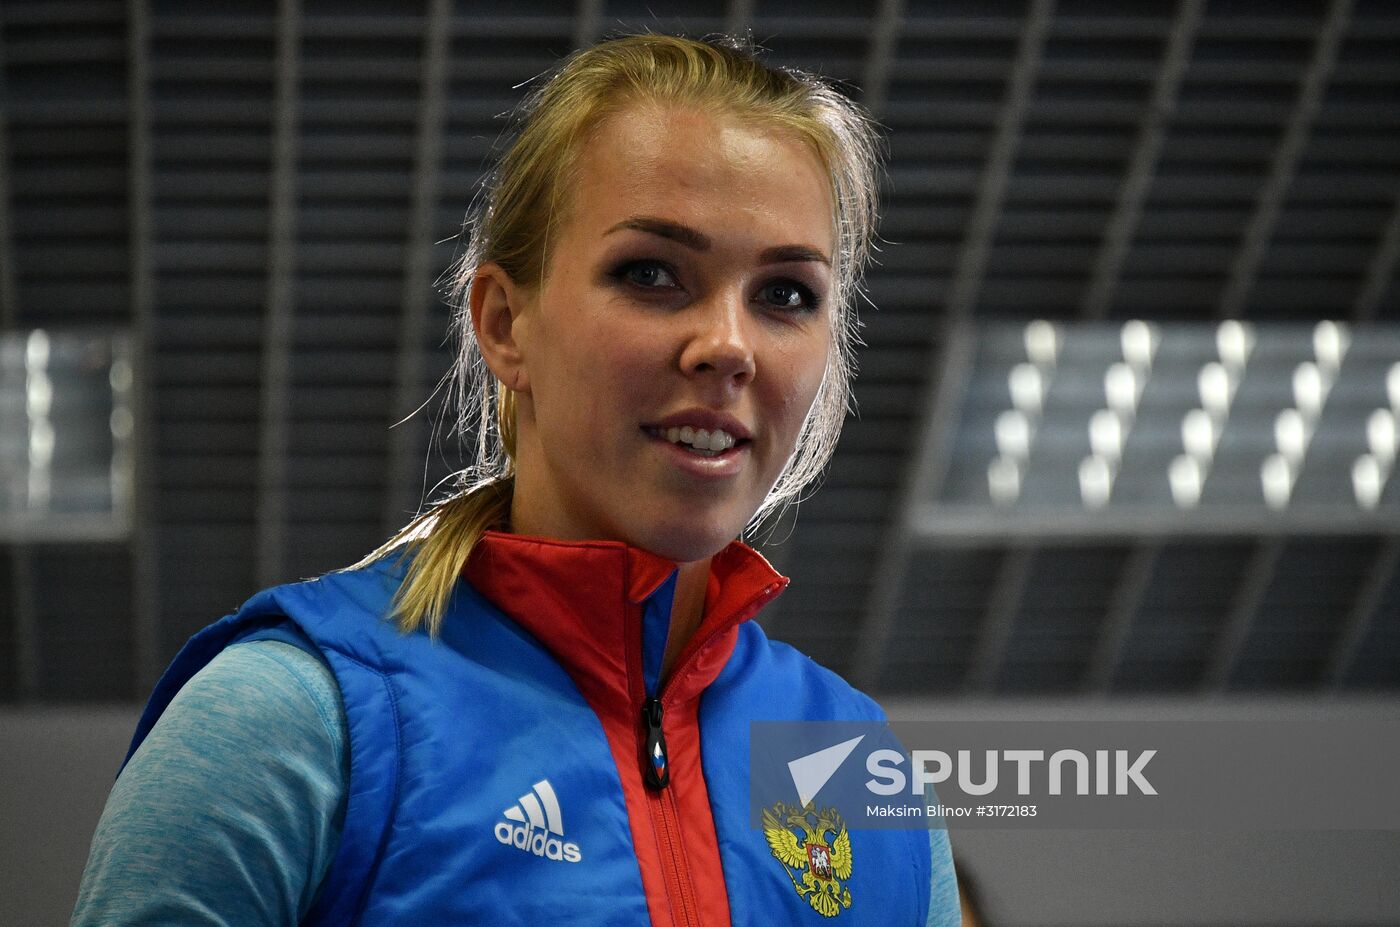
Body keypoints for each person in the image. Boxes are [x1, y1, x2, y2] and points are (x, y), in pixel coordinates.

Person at [72, 33, 960, 926]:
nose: (729, 345)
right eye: (652, 274)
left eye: (787, 295)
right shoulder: (294, 718)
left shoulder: (853, 768)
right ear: (505, 324)